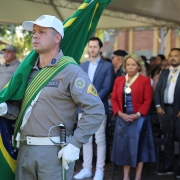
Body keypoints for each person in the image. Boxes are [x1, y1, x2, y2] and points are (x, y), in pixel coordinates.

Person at [0, 15, 105, 180]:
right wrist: (6, 109)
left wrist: (76, 143)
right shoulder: (26, 71)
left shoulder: (70, 70)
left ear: (57, 38)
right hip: (23, 149)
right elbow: (20, 111)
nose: (35, 35)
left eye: (42, 31)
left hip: (53, 152)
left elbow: (96, 110)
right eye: (34, 32)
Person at [74, 37, 114, 180]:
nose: (92, 49)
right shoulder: (82, 66)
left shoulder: (107, 66)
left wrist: (93, 101)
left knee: (100, 140)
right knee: (86, 139)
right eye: (90, 47)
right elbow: (78, 87)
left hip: (98, 108)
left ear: (100, 48)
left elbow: (107, 87)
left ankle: (100, 170)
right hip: (83, 108)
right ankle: (86, 169)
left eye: (95, 47)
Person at [111, 53, 156, 180]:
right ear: (125, 66)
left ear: (138, 66)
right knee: (125, 147)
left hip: (139, 119)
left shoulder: (145, 80)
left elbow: (148, 100)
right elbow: (114, 99)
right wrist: (119, 113)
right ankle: (126, 176)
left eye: (133, 65)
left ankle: (138, 176)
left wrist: (137, 115)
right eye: (128, 64)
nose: (130, 67)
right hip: (122, 118)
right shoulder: (119, 80)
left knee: (140, 147)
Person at [154, 48, 180, 178]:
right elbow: (157, 90)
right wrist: (158, 106)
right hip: (165, 110)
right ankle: (168, 166)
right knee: (167, 139)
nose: (173, 58)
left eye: (176, 56)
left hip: (179, 111)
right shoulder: (164, 72)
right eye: (171, 56)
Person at [0, 44, 20, 179]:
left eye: (8, 52)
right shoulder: (1, 66)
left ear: (14, 53)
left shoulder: (19, 67)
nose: (6, 54)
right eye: (4, 52)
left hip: (9, 110)